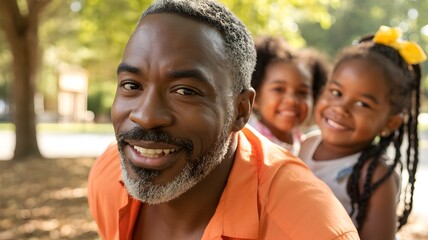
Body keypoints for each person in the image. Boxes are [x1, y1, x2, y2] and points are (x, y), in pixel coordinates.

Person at [87, 0, 360, 239]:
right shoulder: (109, 176)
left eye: (185, 91)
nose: (145, 117)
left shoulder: (312, 230)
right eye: (132, 85)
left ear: (240, 110)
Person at [298, 26, 426, 240]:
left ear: (391, 122)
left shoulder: (376, 176)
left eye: (362, 104)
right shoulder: (308, 143)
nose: (340, 108)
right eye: (336, 92)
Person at [248, 36, 319, 154]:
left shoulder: (305, 146)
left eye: (303, 92)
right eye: (279, 89)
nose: (291, 100)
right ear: (255, 97)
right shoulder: (246, 137)